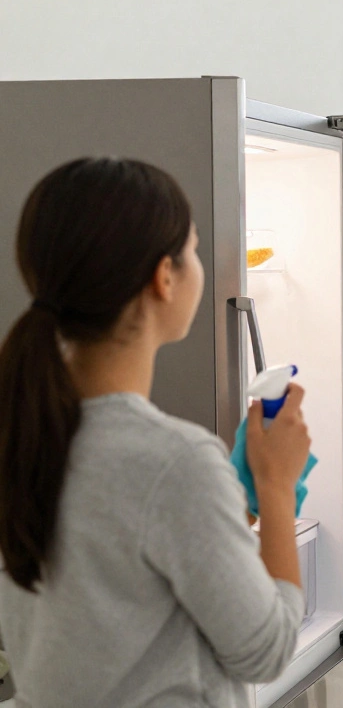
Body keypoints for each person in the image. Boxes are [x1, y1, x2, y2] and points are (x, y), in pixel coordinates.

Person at [0, 158, 313, 706]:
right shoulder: (175, 460)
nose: (200, 266)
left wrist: (229, 506)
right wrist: (276, 487)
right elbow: (266, 650)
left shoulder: (20, 430)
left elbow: (123, 593)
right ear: (162, 278)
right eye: (192, 251)